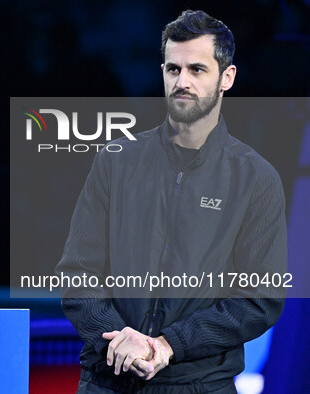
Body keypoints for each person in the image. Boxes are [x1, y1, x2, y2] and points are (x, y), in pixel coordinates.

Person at [56, 10, 287, 393]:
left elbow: (259, 298)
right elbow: (78, 273)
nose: (182, 82)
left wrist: (169, 345)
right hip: (107, 380)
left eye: (197, 69)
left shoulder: (255, 179)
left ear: (226, 78)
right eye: (173, 69)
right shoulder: (115, 161)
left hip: (199, 384)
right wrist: (119, 341)